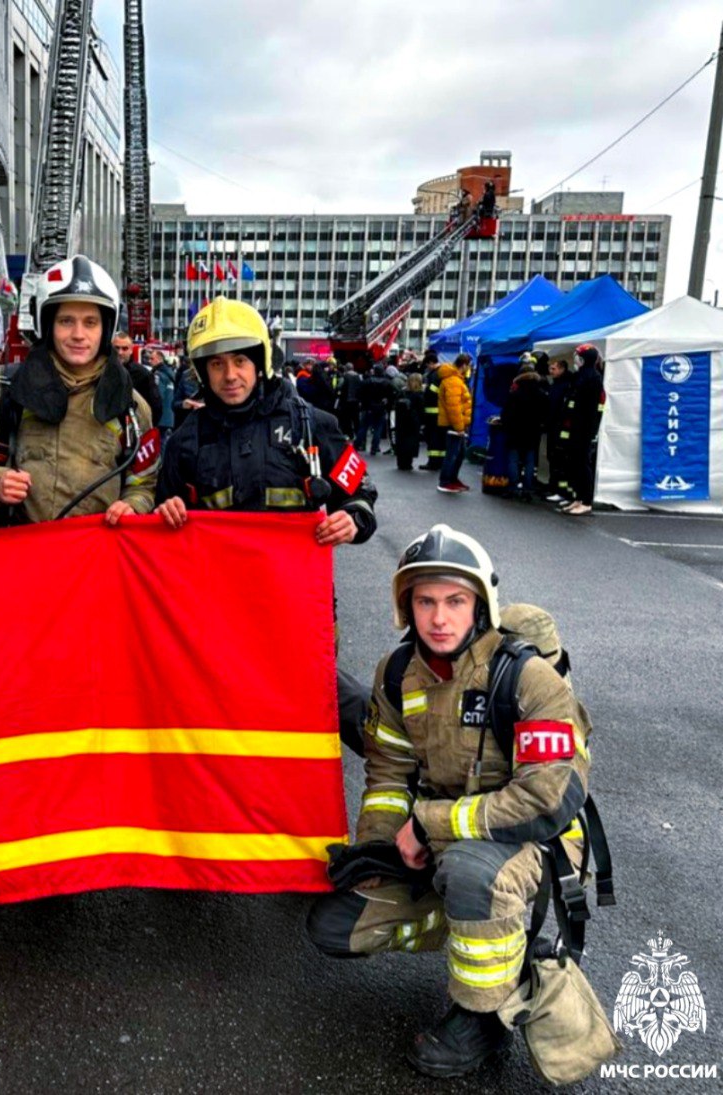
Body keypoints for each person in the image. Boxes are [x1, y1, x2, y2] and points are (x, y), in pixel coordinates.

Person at [307, 524, 592, 1079]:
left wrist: (427, 822)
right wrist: (378, 848)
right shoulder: (397, 674)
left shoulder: (528, 679)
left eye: (455, 601)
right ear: (406, 607)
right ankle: (479, 929)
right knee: (334, 925)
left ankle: (482, 1013)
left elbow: (544, 799)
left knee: (470, 872)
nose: (439, 618)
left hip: (531, 844)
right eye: (425, 601)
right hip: (446, 841)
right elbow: (387, 773)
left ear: (479, 603)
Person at [0, 254, 157, 526]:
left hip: (96, 561)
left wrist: (132, 506)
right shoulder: (0, 389)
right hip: (22, 558)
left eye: (90, 322)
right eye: (66, 321)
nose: (79, 334)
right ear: (47, 324)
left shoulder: (132, 408)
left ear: (106, 328)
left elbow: (144, 484)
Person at [154, 296, 376, 545]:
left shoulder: (311, 425)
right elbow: (160, 520)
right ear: (203, 371)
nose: (229, 375)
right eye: (217, 364)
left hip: (292, 581)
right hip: (215, 582)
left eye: (240, 361)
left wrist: (352, 520)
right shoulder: (185, 440)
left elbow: (360, 492)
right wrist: (166, 510)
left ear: (259, 363)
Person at [559, 344, 605, 516]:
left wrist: (590, 431)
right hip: (574, 426)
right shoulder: (580, 376)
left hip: (584, 429)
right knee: (573, 463)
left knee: (583, 464)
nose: (576, 359)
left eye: (578, 356)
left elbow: (592, 408)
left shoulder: (593, 378)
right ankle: (578, 497)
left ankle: (586, 501)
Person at [499, 356, 549, 500]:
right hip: (533, 432)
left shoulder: (515, 394)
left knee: (513, 460)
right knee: (529, 461)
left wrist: (506, 425)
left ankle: (513, 488)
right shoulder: (542, 394)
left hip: (515, 431)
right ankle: (527, 489)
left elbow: (505, 414)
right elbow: (545, 414)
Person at [436, 353, 473, 493]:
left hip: (456, 424)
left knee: (458, 453)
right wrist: (459, 427)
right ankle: (445, 481)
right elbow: (454, 407)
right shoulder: (454, 381)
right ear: (463, 365)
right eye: (468, 366)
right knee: (453, 454)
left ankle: (451, 479)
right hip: (455, 425)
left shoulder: (455, 380)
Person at [112, 329, 164, 426]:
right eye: (117, 348)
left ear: (131, 350)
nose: (120, 352)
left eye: (124, 348)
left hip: (131, 431)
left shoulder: (143, 375)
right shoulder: (101, 371)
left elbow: (156, 407)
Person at [543, 356, 575, 503]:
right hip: (553, 427)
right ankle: (554, 487)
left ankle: (559, 490)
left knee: (559, 460)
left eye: (554, 368)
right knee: (552, 458)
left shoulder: (565, 386)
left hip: (559, 428)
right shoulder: (556, 384)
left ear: (562, 369)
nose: (551, 371)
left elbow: (558, 408)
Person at [392, 372, 426, 471]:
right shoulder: (419, 395)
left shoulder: (402, 393)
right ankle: (408, 463)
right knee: (411, 442)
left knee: (401, 441)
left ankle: (400, 462)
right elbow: (421, 410)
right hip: (413, 422)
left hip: (401, 421)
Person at [358, 363, 394, 456]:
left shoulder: (367, 381)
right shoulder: (387, 382)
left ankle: (357, 444)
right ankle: (374, 448)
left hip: (368, 407)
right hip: (380, 407)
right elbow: (392, 395)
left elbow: (360, 393)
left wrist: (363, 403)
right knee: (378, 428)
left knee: (363, 427)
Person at [421, 349, 445, 471]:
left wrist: (425, 389)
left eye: (427, 365)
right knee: (439, 439)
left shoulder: (435, 374)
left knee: (433, 438)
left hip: (433, 413)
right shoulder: (439, 372)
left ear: (431, 362)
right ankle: (439, 462)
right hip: (438, 412)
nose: (427, 367)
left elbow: (433, 391)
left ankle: (433, 463)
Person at [148, 345, 177, 441]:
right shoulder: (170, 374)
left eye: (152, 358)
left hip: (160, 417)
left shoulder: (158, 375)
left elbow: (157, 396)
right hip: (169, 417)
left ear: (159, 359)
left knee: (159, 446)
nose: (149, 361)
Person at [172, 352, 204, 428]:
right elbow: (174, 404)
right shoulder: (186, 376)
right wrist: (183, 404)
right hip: (188, 425)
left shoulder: (215, 375)